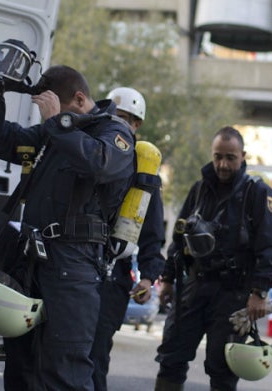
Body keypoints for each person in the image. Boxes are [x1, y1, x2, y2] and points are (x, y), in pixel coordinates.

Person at [0, 65, 137, 391]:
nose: (49, 117)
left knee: (64, 372)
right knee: (21, 366)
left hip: (74, 266)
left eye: (56, 109)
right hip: (32, 260)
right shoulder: (54, 133)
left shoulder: (114, 133)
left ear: (79, 99)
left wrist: (56, 124)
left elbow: (101, 163)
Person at [153, 126, 272, 391]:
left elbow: (271, 247)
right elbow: (179, 237)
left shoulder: (258, 193)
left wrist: (259, 292)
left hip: (234, 292)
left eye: (230, 157)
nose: (223, 164)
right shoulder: (200, 189)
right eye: (217, 157)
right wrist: (167, 279)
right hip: (195, 285)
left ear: (243, 156)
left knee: (222, 367)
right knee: (171, 355)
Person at [89, 87, 166, 391]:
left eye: (134, 121)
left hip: (112, 278)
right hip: (72, 266)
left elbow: (152, 236)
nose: (128, 126)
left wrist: (148, 278)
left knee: (95, 357)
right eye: (121, 117)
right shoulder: (93, 154)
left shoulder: (145, 176)